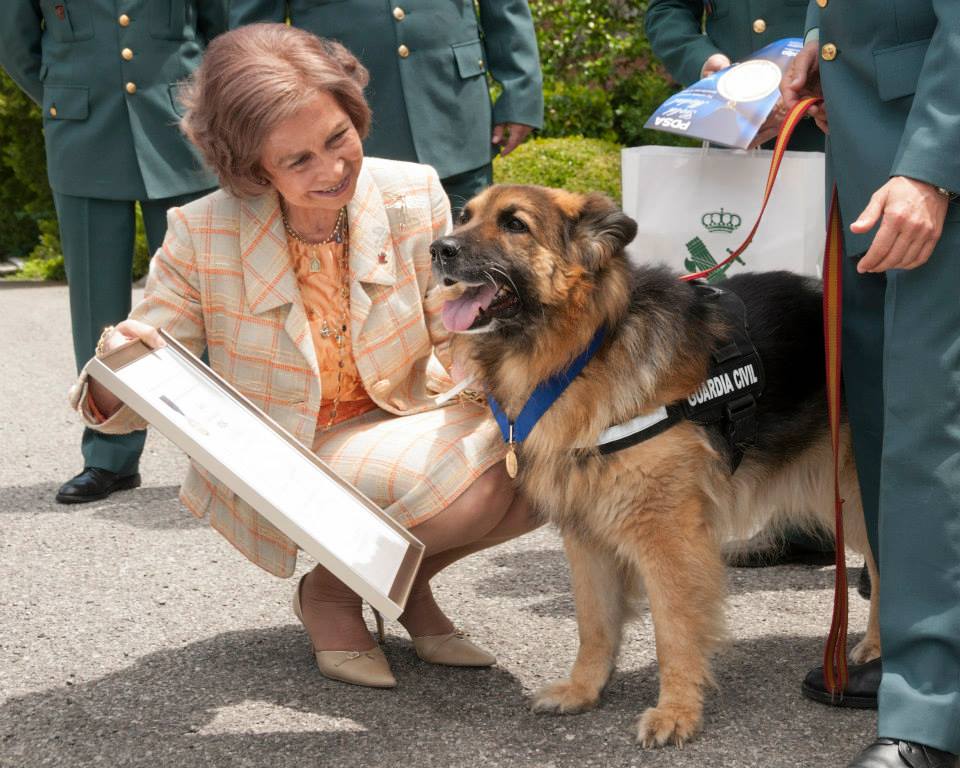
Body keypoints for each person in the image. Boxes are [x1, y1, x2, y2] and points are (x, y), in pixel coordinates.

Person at [69, 23, 537, 689]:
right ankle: (331, 594)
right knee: (487, 479)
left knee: (554, 460)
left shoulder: (413, 190)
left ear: (354, 112)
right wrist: (120, 363)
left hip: (408, 413)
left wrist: (510, 386)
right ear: (252, 166)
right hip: (293, 449)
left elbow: (454, 329)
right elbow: (127, 395)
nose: (333, 169)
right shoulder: (202, 231)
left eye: (338, 137)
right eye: (298, 162)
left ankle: (400, 588)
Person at [783, 2, 960, 765]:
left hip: (925, 155)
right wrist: (826, 49)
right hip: (869, 143)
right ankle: (920, 654)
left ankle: (932, 712)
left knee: (928, 422)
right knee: (889, 414)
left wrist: (932, 165)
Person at [0, 1, 227, 504]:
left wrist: (202, 98)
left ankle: (219, 451)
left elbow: (220, 26)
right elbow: (16, 43)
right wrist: (64, 93)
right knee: (97, 304)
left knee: (202, 298)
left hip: (178, 125)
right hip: (82, 126)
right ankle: (110, 456)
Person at [645, 0, 834, 569]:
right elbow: (668, 9)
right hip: (735, 130)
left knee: (854, 319)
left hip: (838, 117)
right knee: (758, 320)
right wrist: (708, 67)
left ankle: (878, 532)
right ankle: (793, 509)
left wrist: (818, 68)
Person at [229, 0, 544, 211]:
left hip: (452, 106)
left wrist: (520, 91)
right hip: (343, 124)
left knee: (472, 265)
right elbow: (255, 31)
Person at [645, 0, 823, 152]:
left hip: (823, 132)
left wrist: (813, 81)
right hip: (730, 134)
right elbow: (670, 8)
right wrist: (701, 60)